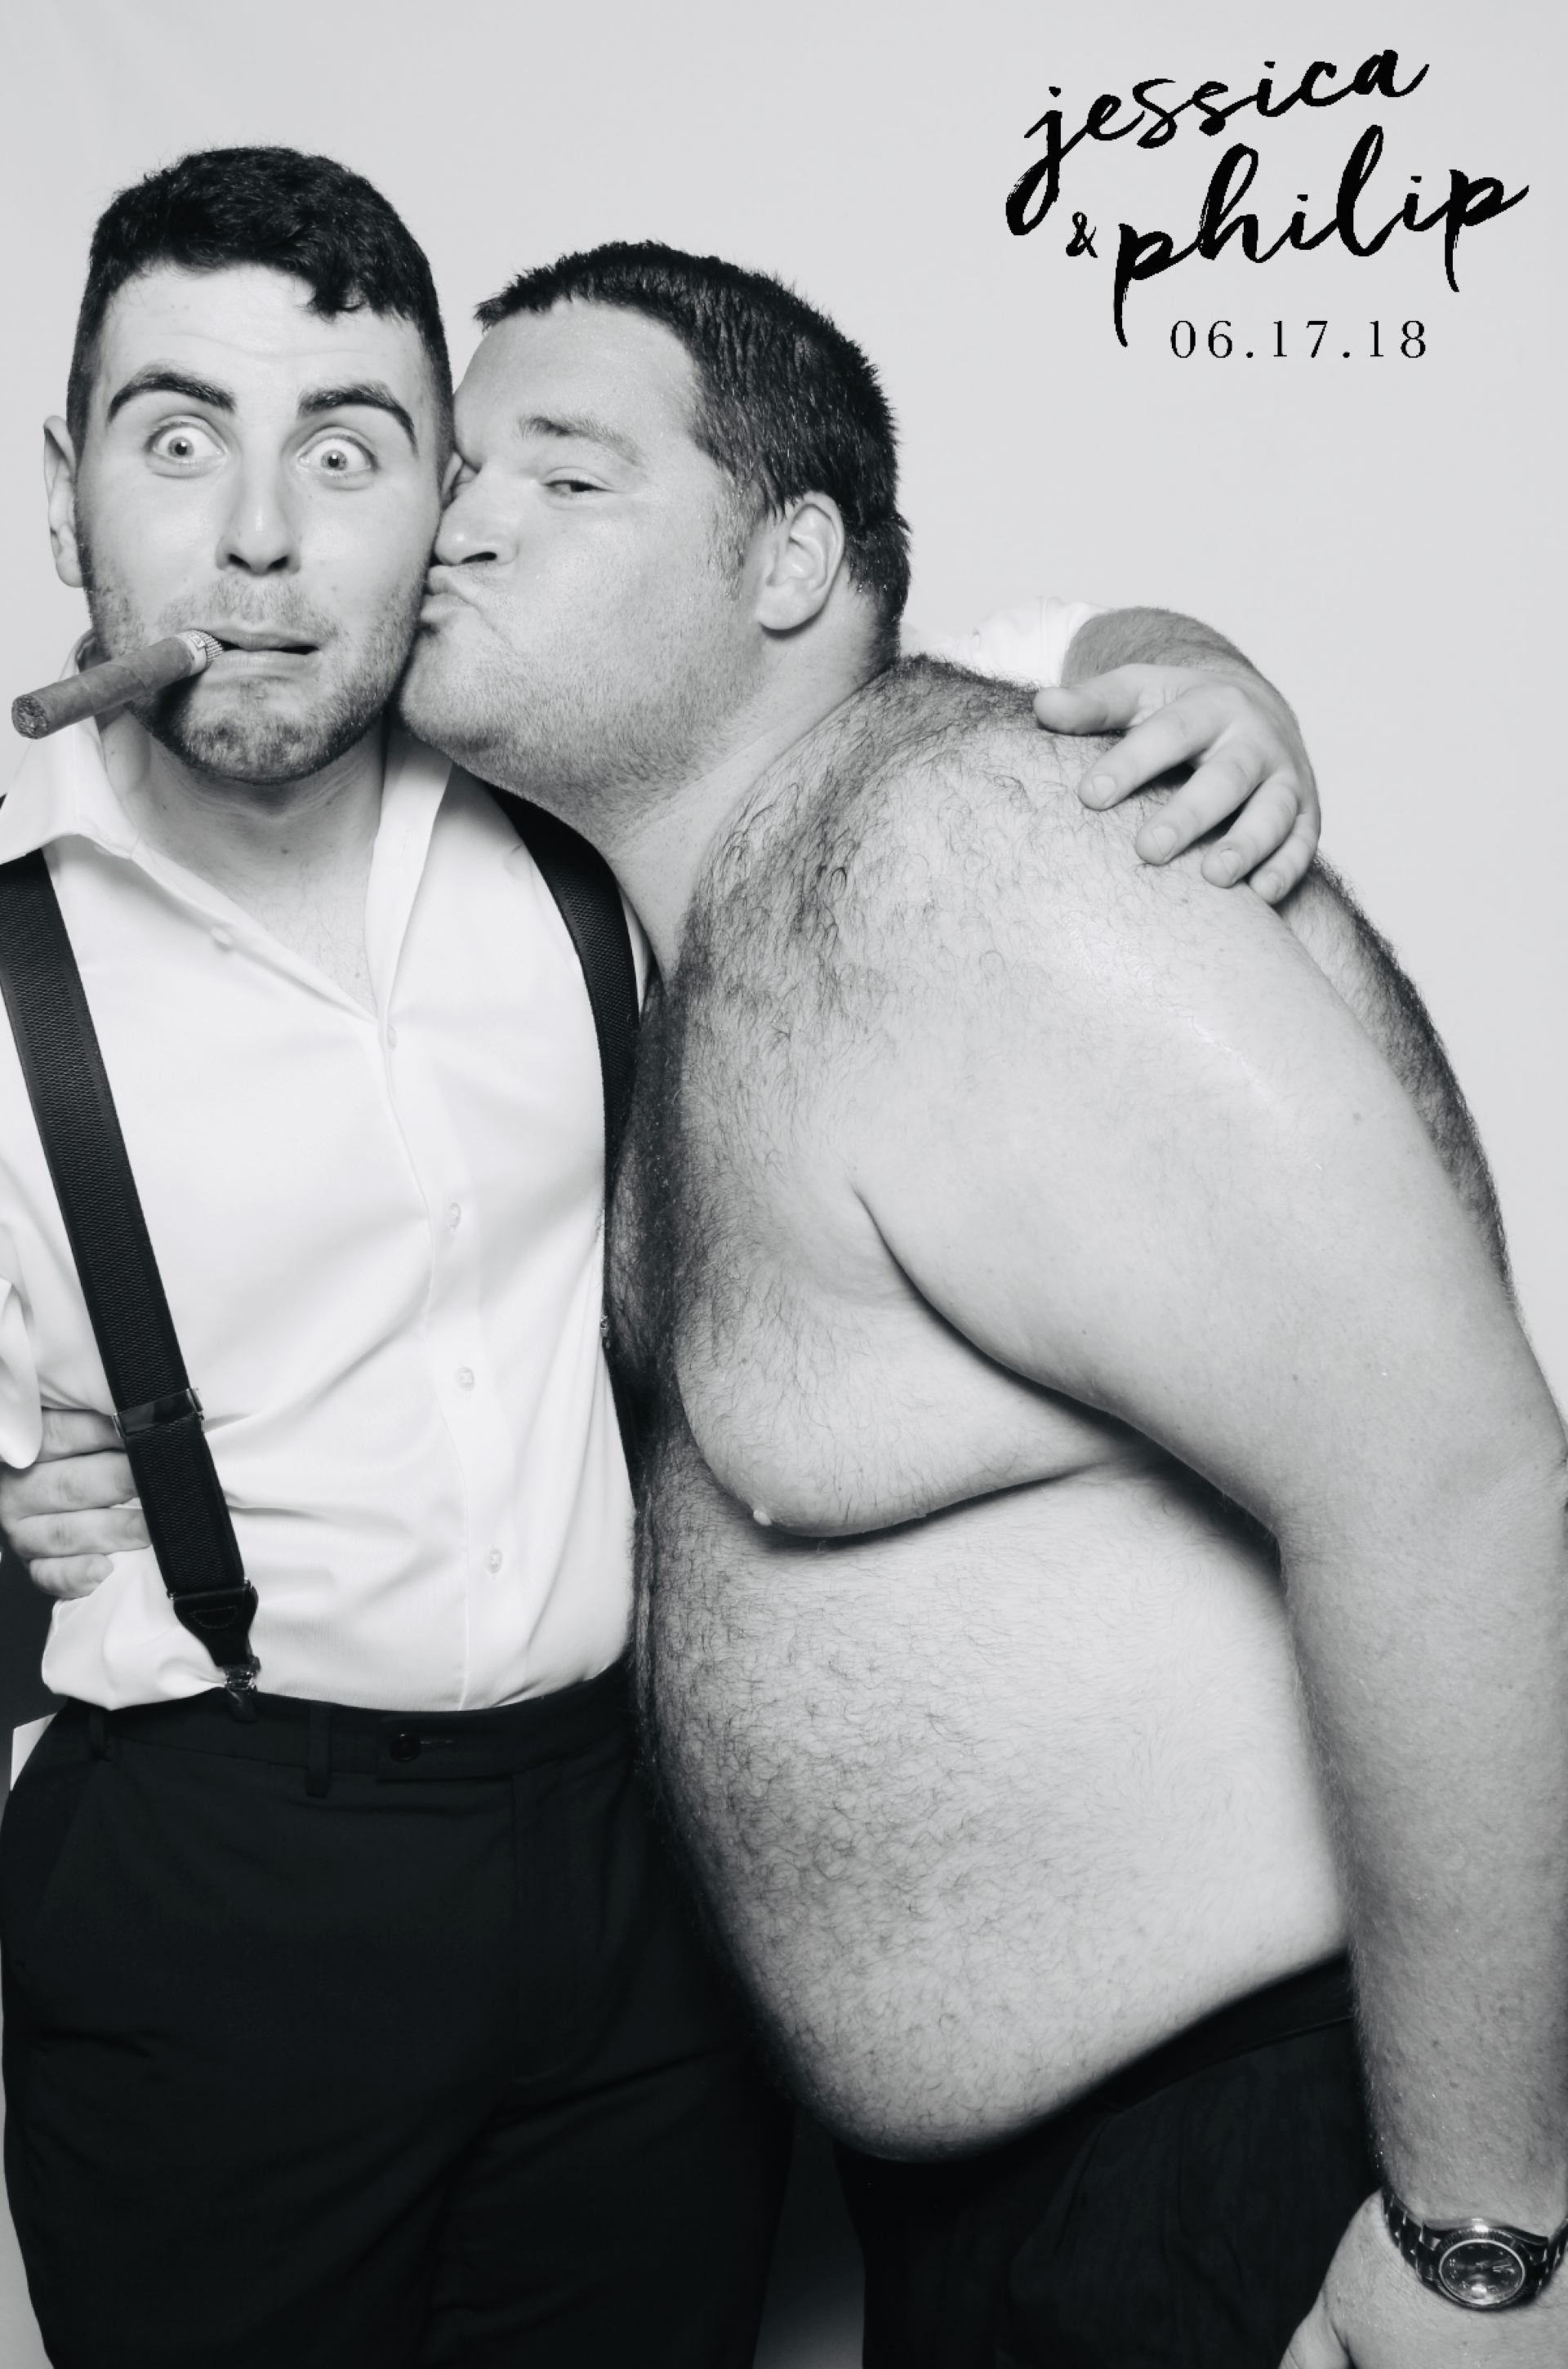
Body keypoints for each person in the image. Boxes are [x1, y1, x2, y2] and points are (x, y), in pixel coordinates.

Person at [0, 154, 1317, 2367]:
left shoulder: (577, 801)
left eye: (347, 451)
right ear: (68, 496)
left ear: (439, 505)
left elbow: (910, 677)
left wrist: (1172, 659)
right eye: (178, 439)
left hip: (649, 1874)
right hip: (218, 1887)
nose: (259, 539)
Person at [379, 243, 1564, 2369]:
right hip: (1021, 2231)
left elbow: (1458, 1476)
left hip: (1275, 2177)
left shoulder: (955, 853)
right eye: (458, 471)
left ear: (789, 562)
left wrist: (1485, 2236)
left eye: (564, 473)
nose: (463, 523)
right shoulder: (727, 947)